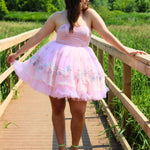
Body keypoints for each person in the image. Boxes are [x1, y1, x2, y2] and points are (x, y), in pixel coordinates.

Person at [7, 0, 148, 149]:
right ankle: (61, 146)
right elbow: (38, 36)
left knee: (79, 111)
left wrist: (127, 51)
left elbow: (106, 35)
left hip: (81, 68)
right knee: (57, 108)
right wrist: (18, 53)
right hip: (57, 66)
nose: (87, 0)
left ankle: (74, 147)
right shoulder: (57, 16)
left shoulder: (90, 15)